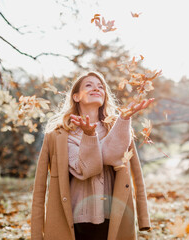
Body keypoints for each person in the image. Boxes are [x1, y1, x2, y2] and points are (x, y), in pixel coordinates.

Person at [31, 71, 152, 240]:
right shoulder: (58, 135)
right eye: (89, 85)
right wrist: (37, 233)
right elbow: (86, 169)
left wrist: (124, 119)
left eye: (101, 86)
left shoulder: (119, 129)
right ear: (76, 97)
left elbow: (135, 174)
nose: (96, 88)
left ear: (104, 96)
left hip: (114, 217)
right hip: (72, 221)